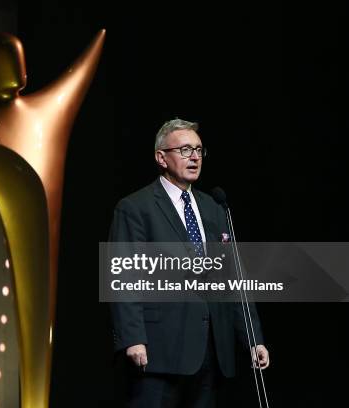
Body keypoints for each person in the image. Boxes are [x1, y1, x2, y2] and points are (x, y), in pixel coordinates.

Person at [109, 118, 270, 407]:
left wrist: (252, 338)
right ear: (161, 157)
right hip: (159, 349)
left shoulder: (214, 207)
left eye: (198, 150)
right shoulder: (135, 208)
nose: (194, 156)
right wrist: (132, 337)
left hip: (211, 351)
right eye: (184, 149)